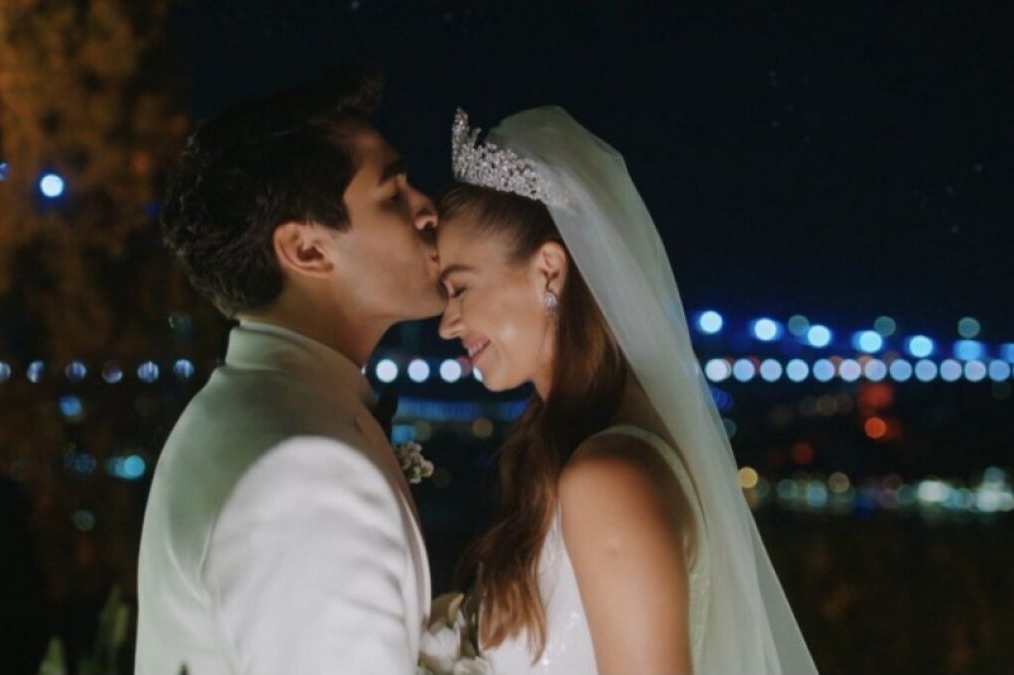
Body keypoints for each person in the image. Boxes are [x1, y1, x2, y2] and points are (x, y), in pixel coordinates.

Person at [434, 107, 818, 674]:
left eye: (459, 288)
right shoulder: (596, 456)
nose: (447, 324)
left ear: (548, 271)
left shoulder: (608, 479)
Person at [135, 66, 444, 674]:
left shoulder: (261, 412)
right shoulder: (303, 471)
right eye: (393, 194)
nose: (428, 209)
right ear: (306, 249)